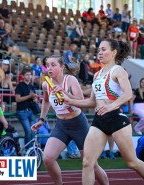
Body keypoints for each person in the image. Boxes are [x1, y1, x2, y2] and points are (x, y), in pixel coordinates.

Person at [62, 38, 144, 185]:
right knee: (87, 162)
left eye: (103, 49)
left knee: (132, 162)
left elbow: (128, 93)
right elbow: (91, 102)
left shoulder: (118, 71)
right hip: (99, 121)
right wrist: (70, 100)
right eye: (99, 50)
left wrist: (112, 106)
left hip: (117, 120)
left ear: (114, 52)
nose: (100, 52)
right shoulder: (97, 75)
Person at [31, 55, 108, 185]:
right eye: (47, 65)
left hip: (78, 124)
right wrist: (41, 119)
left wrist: (64, 92)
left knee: (91, 164)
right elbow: (45, 101)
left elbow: (81, 101)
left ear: (62, 67)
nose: (49, 68)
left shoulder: (70, 80)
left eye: (53, 65)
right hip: (61, 125)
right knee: (48, 158)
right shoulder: (46, 84)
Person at [15, 67, 39, 149]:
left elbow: (35, 99)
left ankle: (31, 150)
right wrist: (30, 96)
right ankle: (28, 150)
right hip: (22, 111)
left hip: (30, 111)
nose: (29, 76)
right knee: (28, 131)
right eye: (27, 75)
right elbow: (17, 99)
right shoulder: (19, 86)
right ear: (23, 76)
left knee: (32, 131)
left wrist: (35, 99)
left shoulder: (32, 87)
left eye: (30, 75)